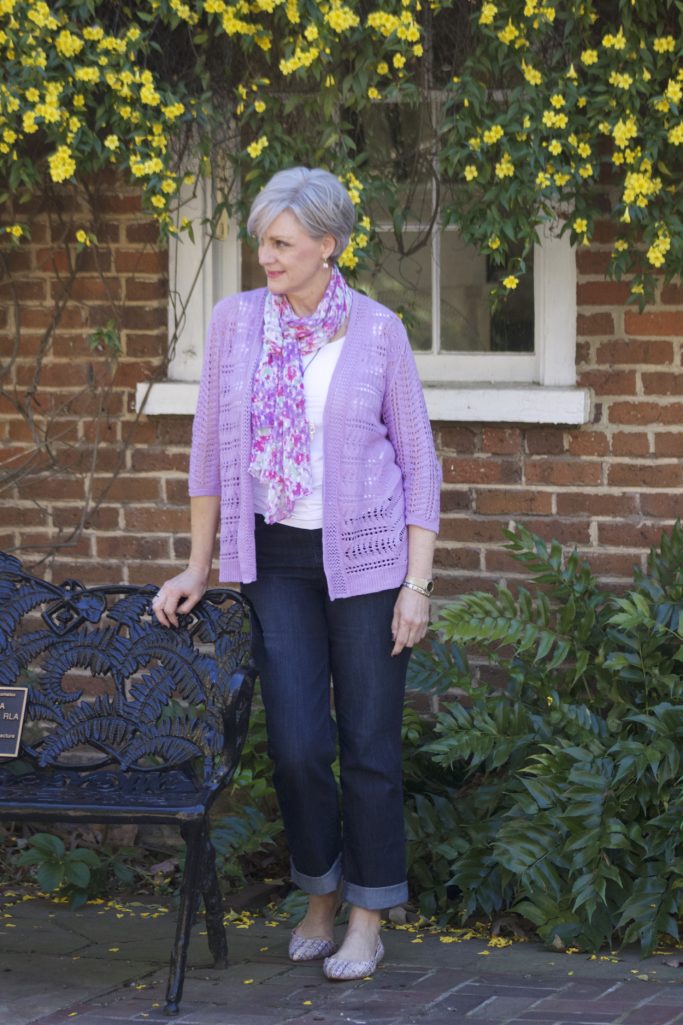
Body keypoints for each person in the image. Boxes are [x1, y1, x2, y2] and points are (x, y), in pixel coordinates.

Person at [152, 167, 441, 981]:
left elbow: (419, 462)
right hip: (274, 558)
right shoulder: (235, 323)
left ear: (327, 244)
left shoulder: (378, 332)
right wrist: (198, 564)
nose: (266, 256)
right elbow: (208, 450)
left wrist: (416, 584)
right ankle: (319, 891)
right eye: (261, 242)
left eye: (281, 242)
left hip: (370, 561)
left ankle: (365, 916)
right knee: (296, 745)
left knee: (369, 742)